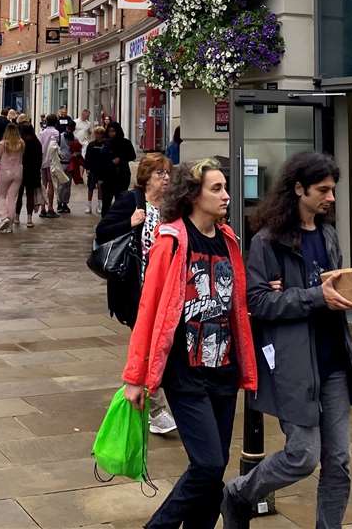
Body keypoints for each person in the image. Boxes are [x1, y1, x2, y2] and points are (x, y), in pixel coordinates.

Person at [222, 152, 352, 529]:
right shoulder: (269, 241)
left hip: (334, 361)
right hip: (294, 365)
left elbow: (329, 287)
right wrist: (314, 296)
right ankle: (239, 492)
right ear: (298, 189)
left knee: (339, 461)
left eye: (333, 190)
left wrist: (350, 290)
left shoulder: (328, 234)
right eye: (323, 190)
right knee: (303, 455)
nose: (331, 198)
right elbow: (257, 301)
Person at [123, 159, 256, 529]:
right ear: (193, 195)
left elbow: (237, 303)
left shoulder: (229, 241)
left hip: (224, 372)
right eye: (217, 189)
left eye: (225, 187)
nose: (227, 195)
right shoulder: (172, 241)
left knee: (213, 471)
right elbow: (148, 310)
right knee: (208, 464)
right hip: (186, 374)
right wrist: (135, 375)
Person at [98, 151, 177, 435]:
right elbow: (102, 231)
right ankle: (156, 410)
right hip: (135, 291)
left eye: (168, 173)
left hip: (167, 290)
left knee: (161, 346)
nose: (166, 178)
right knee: (148, 347)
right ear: (146, 178)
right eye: (159, 173)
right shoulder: (130, 201)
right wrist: (129, 223)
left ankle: (145, 396)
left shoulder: (172, 207)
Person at [0, 123, 26, 234]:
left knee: (1, 196)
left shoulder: (3, 144)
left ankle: (4, 217)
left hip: (5, 172)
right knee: (12, 198)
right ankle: (10, 225)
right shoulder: (21, 143)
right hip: (18, 172)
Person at [101, 121, 136, 215]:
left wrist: (120, 159)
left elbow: (132, 156)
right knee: (106, 202)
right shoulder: (105, 143)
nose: (111, 134)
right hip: (108, 176)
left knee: (120, 200)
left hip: (122, 176)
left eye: (113, 131)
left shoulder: (126, 143)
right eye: (109, 131)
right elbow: (101, 159)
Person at [19, 117, 44, 227]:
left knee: (18, 195)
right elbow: (39, 159)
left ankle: (16, 217)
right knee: (30, 194)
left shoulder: (20, 142)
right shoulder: (36, 142)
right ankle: (29, 218)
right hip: (33, 171)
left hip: (20, 170)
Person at [84, 125, 112, 215]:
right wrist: (87, 168)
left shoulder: (106, 144)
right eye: (97, 133)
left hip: (102, 170)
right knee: (90, 188)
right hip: (93, 169)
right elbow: (87, 157)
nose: (98, 135)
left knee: (100, 187)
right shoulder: (91, 145)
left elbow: (108, 157)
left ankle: (100, 205)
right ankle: (89, 205)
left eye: (100, 133)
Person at [39, 114, 62, 218]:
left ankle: (42, 208)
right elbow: (56, 146)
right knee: (51, 184)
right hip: (52, 161)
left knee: (44, 184)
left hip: (43, 160)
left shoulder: (42, 132)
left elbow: (40, 146)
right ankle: (51, 208)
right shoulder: (56, 132)